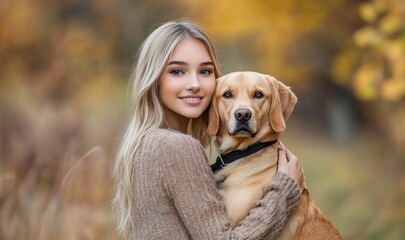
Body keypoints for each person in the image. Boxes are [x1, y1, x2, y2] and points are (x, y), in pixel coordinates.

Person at [112, 19, 304, 240]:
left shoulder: (144, 144)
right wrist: (284, 190)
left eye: (205, 71)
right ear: (153, 79)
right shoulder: (176, 147)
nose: (194, 83)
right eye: (177, 71)